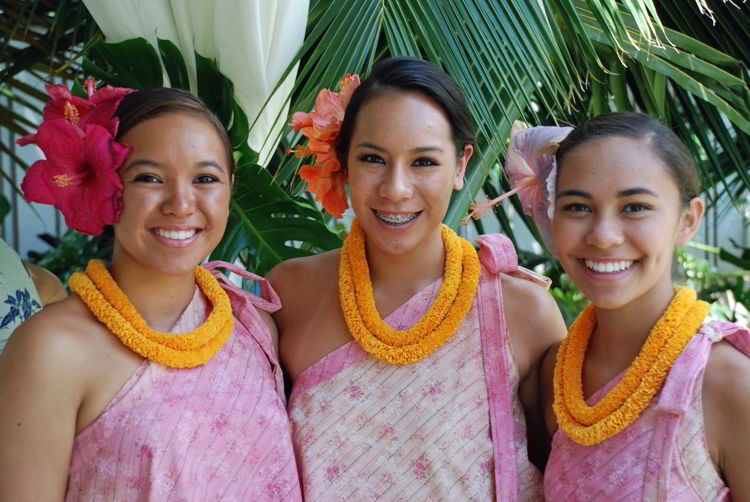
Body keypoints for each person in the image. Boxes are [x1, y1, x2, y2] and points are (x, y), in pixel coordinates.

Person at [269, 56, 566, 501]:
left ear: (461, 164)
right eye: (373, 158)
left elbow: (565, 472)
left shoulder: (521, 311)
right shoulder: (290, 294)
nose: (396, 189)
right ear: (343, 161)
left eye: (424, 162)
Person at [0, 85, 302, 501]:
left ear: (230, 188)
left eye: (205, 178)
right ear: (107, 188)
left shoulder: (252, 326)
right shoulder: (51, 349)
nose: (180, 203)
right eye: (149, 177)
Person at [520, 112, 750, 501]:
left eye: (635, 207)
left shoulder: (727, 384)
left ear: (687, 220)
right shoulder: (557, 374)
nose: (604, 236)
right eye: (577, 207)